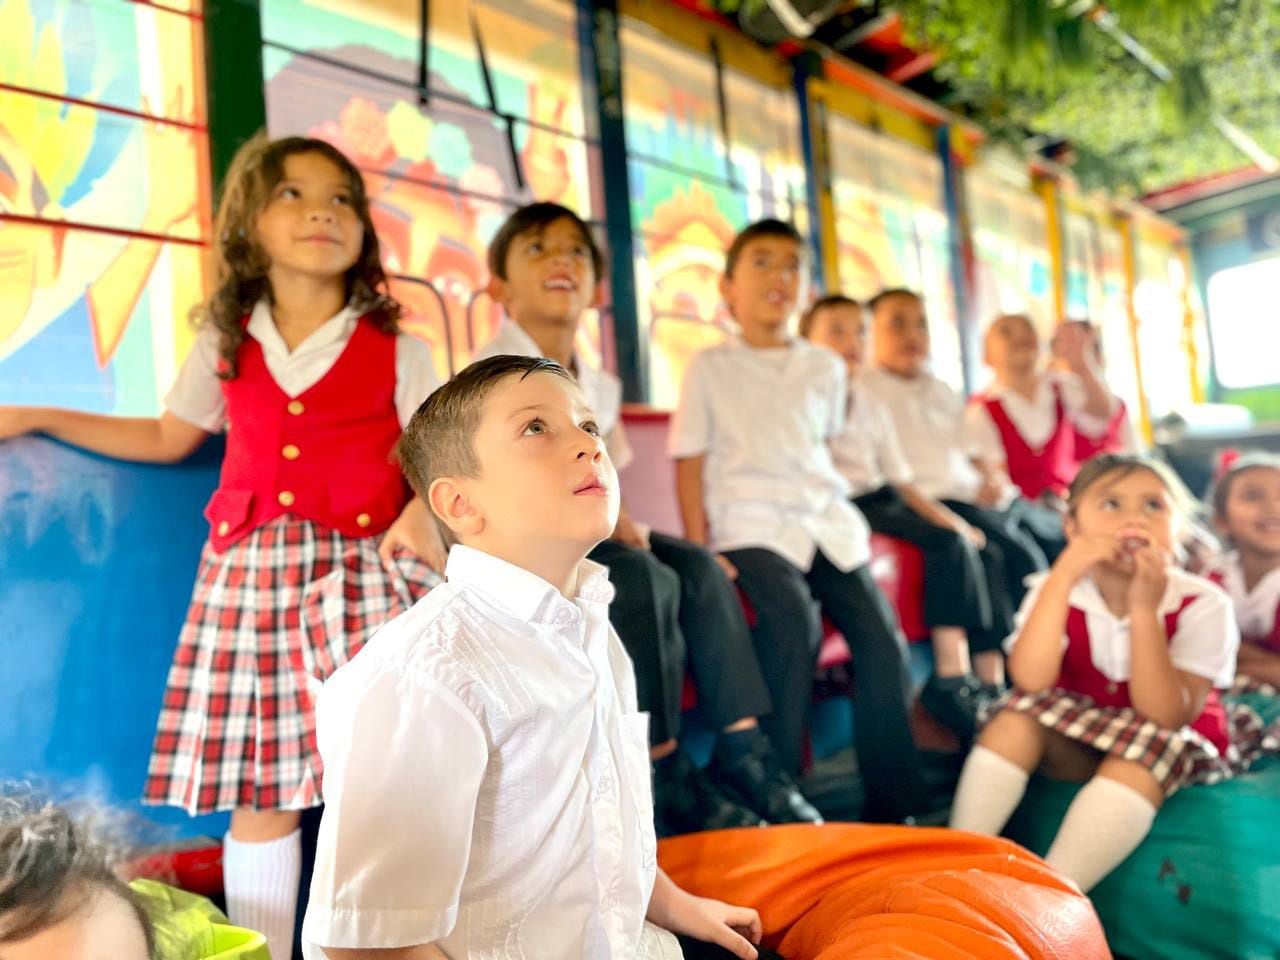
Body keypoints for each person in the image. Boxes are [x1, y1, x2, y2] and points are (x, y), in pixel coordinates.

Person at [0, 134, 445, 958]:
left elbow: (445, 452)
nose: (322, 210)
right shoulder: (226, 341)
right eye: (294, 195)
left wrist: (421, 508)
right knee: (262, 790)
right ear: (248, 228)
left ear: (364, 230)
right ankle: (265, 952)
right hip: (250, 583)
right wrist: (37, 414)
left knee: (392, 778)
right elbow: (172, 435)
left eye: (342, 198)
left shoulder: (402, 350)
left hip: (368, 579)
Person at [302, 354, 767, 960]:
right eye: (536, 428)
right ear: (460, 504)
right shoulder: (424, 675)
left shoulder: (596, 630)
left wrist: (680, 909)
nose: (585, 445)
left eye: (589, 426)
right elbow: (367, 946)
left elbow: (601, 834)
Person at [474, 202, 819, 830]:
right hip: (529, 539)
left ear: (597, 287)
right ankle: (663, 773)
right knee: (642, 579)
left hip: (592, 523)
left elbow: (603, 470)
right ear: (498, 287)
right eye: (538, 250)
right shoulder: (486, 376)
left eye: (576, 252)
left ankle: (744, 752)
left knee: (702, 567)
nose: (562, 261)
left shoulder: (596, 380)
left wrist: (627, 519)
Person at [671, 220, 933, 822]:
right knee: (791, 622)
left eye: (792, 265)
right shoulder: (709, 367)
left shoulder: (824, 367)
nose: (779, 277)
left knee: (880, 637)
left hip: (825, 521)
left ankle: (899, 807)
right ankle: (778, 790)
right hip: (750, 525)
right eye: (761, 263)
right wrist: (700, 551)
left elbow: (829, 445)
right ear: (729, 286)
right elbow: (689, 462)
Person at [950, 454, 1278, 892]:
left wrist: (1145, 610)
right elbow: (1030, 680)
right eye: (1111, 505)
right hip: (1085, 737)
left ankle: (1055, 895)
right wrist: (1062, 576)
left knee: (1145, 749)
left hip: (1169, 742)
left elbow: (1164, 715)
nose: (1133, 521)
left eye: (1153, 507)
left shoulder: (1203, 603)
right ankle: (955, 860)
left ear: (1178, 532)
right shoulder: (1053, 590)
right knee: (1014, 716)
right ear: (1072, 528)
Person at [801, 294, 1008, 740]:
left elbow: (899, 477)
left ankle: (990, 684)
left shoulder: (868, 396)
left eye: (858, 331)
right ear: (807, 341)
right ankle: (951, 678)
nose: (851, 342)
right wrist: (946, 527)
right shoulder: (806, 396)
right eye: (835, 331)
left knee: (976, 547)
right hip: (846, 503)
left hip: (884, 496)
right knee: (949, 544)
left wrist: (945, 518)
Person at [861, 289, 1063, 612]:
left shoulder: (939, 388)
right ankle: (1028, 656)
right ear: (869, 332)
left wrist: (992, 479)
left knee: (1056, 537)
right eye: (897, 324)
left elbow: (974, 451)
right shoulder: (865, 390)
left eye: (921, 325)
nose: (912, 335)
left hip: (977, 496)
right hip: (934, 500)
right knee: (1022, 559)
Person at [965, 313, 1122, 505]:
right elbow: (996, 476)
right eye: (1007, 332)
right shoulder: (982, 411)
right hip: (1023, 511)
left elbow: (1105, 410)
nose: (1020, 337)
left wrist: (1082, 364)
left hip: (1068, 499)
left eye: (1028, 330)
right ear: (987, 356)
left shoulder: (1059, 387)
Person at [1207, 452, 1280, 688]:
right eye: (1253, 496)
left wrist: (1236, 660)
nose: (1273, 506)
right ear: (1222, 521)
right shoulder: (1214, 578)